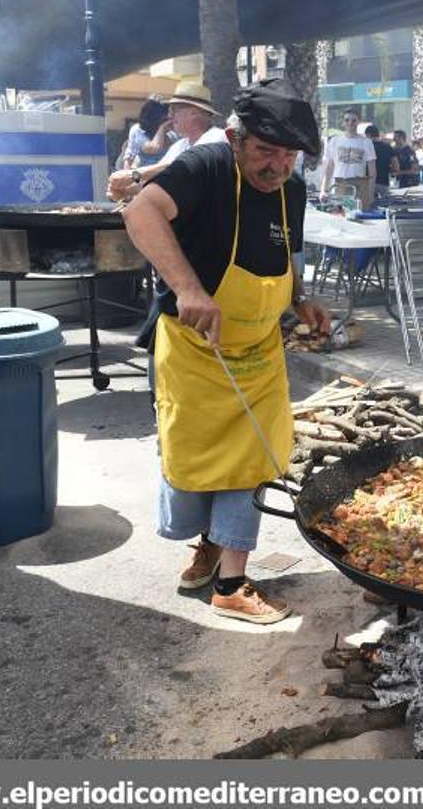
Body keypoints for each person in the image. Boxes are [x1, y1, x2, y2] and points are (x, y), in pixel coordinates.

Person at [122, 78, 331, 624]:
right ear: (236, 138)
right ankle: (207, 543)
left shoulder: (292, 190)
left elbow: (285, 253)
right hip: (193, 352)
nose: (277, 167)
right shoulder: (206, 168)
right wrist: (189, 289)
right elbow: (139, 214)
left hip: (259, 353)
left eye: (288, 156)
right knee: (191, 460)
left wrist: (301, 301)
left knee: (252, 461)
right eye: (266, 152)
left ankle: (232, 581)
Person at [108, 82, 227, 201]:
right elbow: (157, 176)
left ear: (193, 113)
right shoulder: (180, 145)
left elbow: (179, 167)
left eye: (174, 110)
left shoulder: (217, 138)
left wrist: (132, 175)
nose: (169, 116)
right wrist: (125, 191)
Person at [321, 109, 376, 208]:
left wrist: (370, 194)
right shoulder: (334, 141)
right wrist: (323, 190)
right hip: (338, 186)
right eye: (347, 120)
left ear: (358, 122)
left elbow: (372, 172)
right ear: (343, 122)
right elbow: (329, 168)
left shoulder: (366, 142)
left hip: (358, 187)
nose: (350, 123)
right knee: (338, 217)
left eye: (353, 120)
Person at [117, 95, 172, 170]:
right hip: (146, 175)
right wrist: (162, 128)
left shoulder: (172, 131)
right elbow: (154, 148)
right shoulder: (138, 130)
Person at [365, 125, 394, 201]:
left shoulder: (367, 147)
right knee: (385, 206)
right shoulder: (388, 147)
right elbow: (396, 166)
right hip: (384, 182)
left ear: (368, 135)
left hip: (369, 182)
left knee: (369, 205)